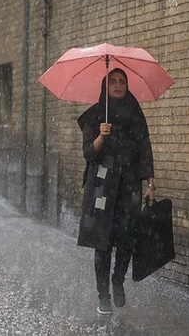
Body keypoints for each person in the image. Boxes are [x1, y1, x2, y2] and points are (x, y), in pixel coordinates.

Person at [76, 67, 155, 315]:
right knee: (102, 242)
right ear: (106, 86)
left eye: (122, 82)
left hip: (129, 186)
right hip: (101, 186)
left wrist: (150, 184)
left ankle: (118, 279)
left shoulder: (135, 113)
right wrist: (101, 137)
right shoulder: (96, 115)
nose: (118, 86)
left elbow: (145, 149)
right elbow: (89, 153)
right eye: (113, 82)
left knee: (127, 238)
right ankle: (103, 296)